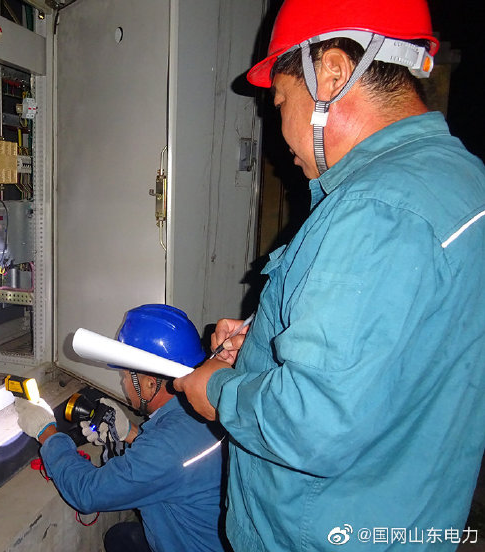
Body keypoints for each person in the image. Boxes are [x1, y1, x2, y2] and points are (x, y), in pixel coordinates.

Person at [174, 0, 485, 550]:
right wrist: (266, 343)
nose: (279, 134)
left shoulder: (374, 210)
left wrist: (219, 391)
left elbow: (311, 424)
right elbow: (401, 350)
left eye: (280, 101)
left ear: (333, 74)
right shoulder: (462, 178)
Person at [16, 304, 228, 552]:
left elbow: (88, 493)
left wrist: (46, 432)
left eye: (125, 376)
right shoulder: (210, 409)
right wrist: (131, 433)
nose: (124, 384)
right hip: (214, 536)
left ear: (150, 384)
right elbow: (177, 458)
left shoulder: (166, 449)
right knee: (121, 538)